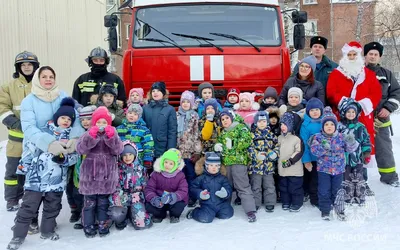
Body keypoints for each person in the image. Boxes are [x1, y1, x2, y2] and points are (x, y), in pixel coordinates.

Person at [7, 66, 84, 249]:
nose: (48, 80)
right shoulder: (29, 101)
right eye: (44, 76)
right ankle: (22, 231)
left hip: (59, 157)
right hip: (36, 152)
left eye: (51, 76)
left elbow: (77, 118)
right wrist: (48, 142)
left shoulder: (62, 95)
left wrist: (75, 138)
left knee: (53, 201)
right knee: (30, 200)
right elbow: (29, 128)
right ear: (37, 79)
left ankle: (48, 228)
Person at [326, 41, 382, 193]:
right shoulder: (337, 74)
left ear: (358, 56)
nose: (351, 57)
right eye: (349, 55)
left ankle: (363, 182)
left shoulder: (369, 74)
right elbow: (331, 92)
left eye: (354, 54)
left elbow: (376, 93)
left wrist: (362, 104)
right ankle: (343, 183)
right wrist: (345, 102)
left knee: (362, 149)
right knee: (343, 149)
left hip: (362, 118)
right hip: (342, 117)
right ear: (345, 56)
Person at [0, 51, 39, 211]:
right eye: (23, 65)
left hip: (36, 138)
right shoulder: (8, 86)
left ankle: (31, 197)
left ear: (35, 67)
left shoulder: (40, 84)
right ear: (18, 67)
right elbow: (3, 107)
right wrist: (15, 122)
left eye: (30, 64)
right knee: (13, 171)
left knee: (33, 170)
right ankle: (12, 199)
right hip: (16, 139)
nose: (27, 67)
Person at [76, 106, 124, 238]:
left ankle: (103, 224)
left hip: (106, 175)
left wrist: (111, 137)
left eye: (104, 122)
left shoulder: (113, 133)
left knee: (103, 203)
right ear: (94, 123)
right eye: (98, 122)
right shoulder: (88, 133)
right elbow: (80, 149)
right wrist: (90, 137)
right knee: (89, 204)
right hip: (90, 173)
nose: (101, 125)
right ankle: (88, 225)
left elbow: (118, 150)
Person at [309, 107, 357, 220]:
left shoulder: (341, 137)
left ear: (335, 126)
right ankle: (325, 210)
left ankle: (339, 210)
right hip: (323, 170)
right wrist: (323, 148)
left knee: (338, 191)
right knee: (324, 190)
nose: (329, 126)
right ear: (322, 126)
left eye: (331, 124)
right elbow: (314, 151)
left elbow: (350, 149)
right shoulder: (318, 137)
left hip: (339, 170)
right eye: (326, 125)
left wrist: (352, 142)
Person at [364, 41, 400, 187]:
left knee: (384, 149)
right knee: (359, 148)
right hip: (361, 119)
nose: (373, 57)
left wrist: (388, 108)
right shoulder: (359, 73)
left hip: (381, 119)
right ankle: (358, 179)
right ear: (365, 56)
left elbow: (396, 93)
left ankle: (389, 177)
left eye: (376, 54)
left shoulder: (387, 74)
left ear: (379, 57)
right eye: (370, 54)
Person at [214, 108, 257, 222]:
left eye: (227, 118)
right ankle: (224, 208)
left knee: (242, 186)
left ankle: (250, 210)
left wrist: (234, 144)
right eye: (222, 119)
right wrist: (218, 146)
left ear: (232, 117)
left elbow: (247, 140)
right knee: (227, 186)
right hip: (227, 163)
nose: (225, 121)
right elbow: (220, 142)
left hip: (238, 162)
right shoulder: (223, 132)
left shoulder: (241, 127)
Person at [108, 141, 152, 230]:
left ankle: (134, 214)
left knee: (141, 223)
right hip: (121, 195)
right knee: (117, 214)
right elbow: (114, 186)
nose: (127, 157)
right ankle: (122, 219)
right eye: (124, 155)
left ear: (135, 155)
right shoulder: (117, 169)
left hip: (136, 196)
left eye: (130, 154)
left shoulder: (140, 169)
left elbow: (146, 185)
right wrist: (118, 196)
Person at [337, 98, 371, 206]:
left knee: (358, 177)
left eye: (353, 112)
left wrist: (366, 153)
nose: (351, 114)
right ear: (343, 112)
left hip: (357, 158)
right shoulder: (339, 127)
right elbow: (336, 141)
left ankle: (360, 196)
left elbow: (366, 140)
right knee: (346, 178)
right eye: (348, 112)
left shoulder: (360, 127)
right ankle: (348, 196)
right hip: (344, 159)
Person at [186, 152, 234, 223]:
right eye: (211, 165)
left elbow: (228, 187)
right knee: (205, 218)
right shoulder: (201, 178)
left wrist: (226, 193)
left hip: (221, 204)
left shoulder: (223, 178)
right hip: (207, 205)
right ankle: (194, 212)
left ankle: (216, 213)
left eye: (216, 165)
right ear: (206, 166)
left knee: (228, 213)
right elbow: (192, 188)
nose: (214, 168)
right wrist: (200, 194)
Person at [145, 149, 188, 223]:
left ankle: (174, 215)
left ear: (176, 165)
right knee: (149, 206)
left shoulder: (180, 175)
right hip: (160, 199)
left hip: (173, 200)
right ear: (162, 161)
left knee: (178, 206)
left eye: (171, 164)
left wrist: (173, 197)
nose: (167, 165)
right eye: (166, 162)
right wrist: (154, 199)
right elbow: (149, 188)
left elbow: (183, 190)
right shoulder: (156, 174)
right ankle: (159, 215)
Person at [248, 111, 279, 212]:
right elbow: (248, 148)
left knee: (269, 185)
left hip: (268, 167)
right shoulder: (252, 135)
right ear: (256, 122)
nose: (262, 123)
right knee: (256, 186)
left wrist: (275, 153)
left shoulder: (271, 135)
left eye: (264, 121)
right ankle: (256, 202)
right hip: (255, 167)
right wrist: (255, 155)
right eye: (260, 121)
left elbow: (277, 146)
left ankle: (270, 202)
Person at [176, 90, 202, 206]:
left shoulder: (194, 116)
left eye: (188, 102)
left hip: (190, 152)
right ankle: (182, 196)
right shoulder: (176, 115)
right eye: (183, 101)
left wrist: (197, 152)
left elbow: (197, 134)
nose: (185, 104)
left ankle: (192, 196)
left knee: (191, 175)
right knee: (180, 176)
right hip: (178, 152)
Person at [143, 82, 177, 163]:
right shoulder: (145, 108)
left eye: (158, 91)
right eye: (153, 91)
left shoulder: (170, 109)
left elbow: (172, 131)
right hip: (147, 147)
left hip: (162, 148)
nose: (155, 93)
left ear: (163, 93)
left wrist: (170, 149)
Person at [300, 97, 324, 207]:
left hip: (324, 158)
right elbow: (304, 143)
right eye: (312, 110)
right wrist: (306, 160)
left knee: (322, 179)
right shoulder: (305, 125)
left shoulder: (326, 122)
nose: (315, 112)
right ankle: (314, 199)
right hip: (312, 158)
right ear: (308, 112)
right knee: (313, 179)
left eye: (317, 110)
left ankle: (323, 196)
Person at [278, 112, 304, 212]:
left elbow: (299, 151)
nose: (283, 127)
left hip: (294, 170)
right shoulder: (279, 138)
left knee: (295, 187)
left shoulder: (296, 138)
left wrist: (290, 161)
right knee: (284, 187)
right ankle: (286, 202)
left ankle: (297, 203)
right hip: (282, 169)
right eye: (281, 124)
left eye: (285, 124)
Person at [117, 104, 154, 170]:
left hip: (138, 160)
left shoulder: (143, 130)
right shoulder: (119, 129)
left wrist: (148, 159)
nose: (131, 115)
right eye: (130, 113)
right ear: (126, 114)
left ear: (139, 117)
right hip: (123, 159)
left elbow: (148, 145)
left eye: (135, 114)